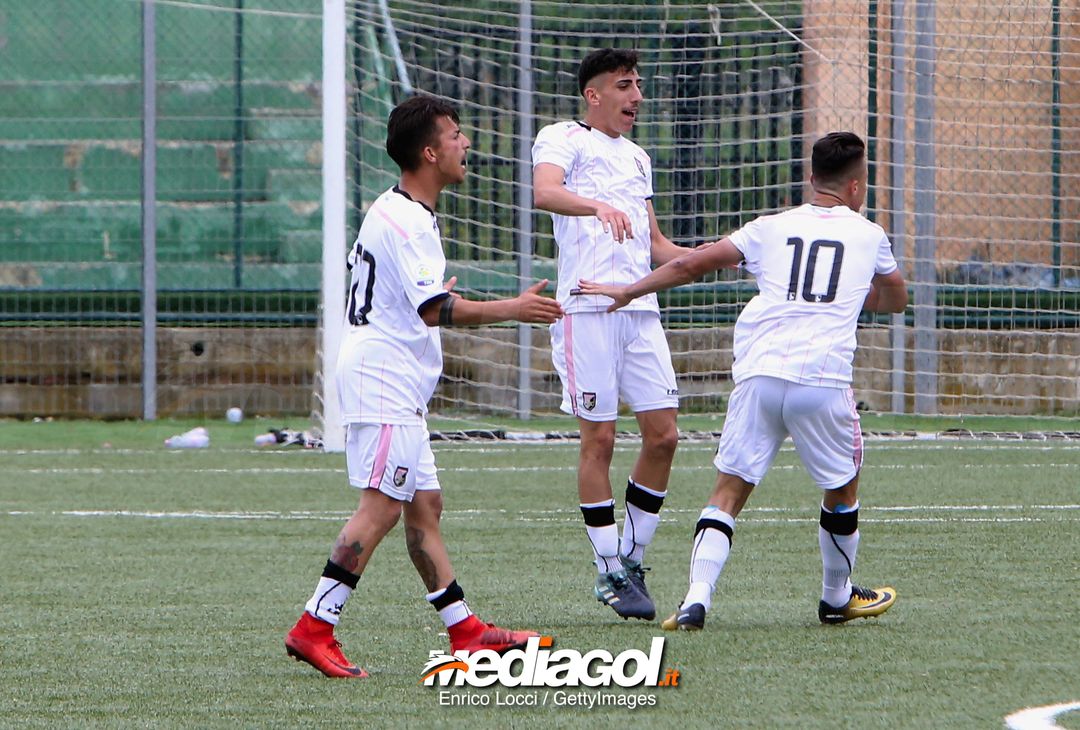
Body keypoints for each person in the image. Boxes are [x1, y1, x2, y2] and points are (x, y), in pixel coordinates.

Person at [578, 131, 909, 630]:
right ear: (857, 186)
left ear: (811, 178)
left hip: (759, 374)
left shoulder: (768, 228)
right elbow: (895, 298)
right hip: (822, 379)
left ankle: (696, 599)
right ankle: (836, 596)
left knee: (728, 491)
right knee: (842, 490)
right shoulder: (870, 235)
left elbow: (689, 264)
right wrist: (852, 293)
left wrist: (629, 291)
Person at [285, 95, 564, 678]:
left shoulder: (401, 210)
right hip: (382, 379)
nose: (467, 143)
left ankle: (467, 632)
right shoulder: (409, 220)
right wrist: (514, 308)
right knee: (381, 507)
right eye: (456, 134)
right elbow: (435, 309)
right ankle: (314, 627)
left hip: (396, 382)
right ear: (430, 152)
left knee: (425, 507)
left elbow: (413, 298)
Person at [532, 49, 707, 621]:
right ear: (594, 94)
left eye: (638, 84)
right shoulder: (562, 137)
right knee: (600, 440)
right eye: (625, 85)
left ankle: (630, 561)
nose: (637, 96)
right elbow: (545, 192)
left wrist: (716, 255)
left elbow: (655, 246)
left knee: (664, 436)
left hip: (639, 309)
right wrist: (598, 206)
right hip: (586, 311)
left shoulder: (637, 157)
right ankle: (608, 567)